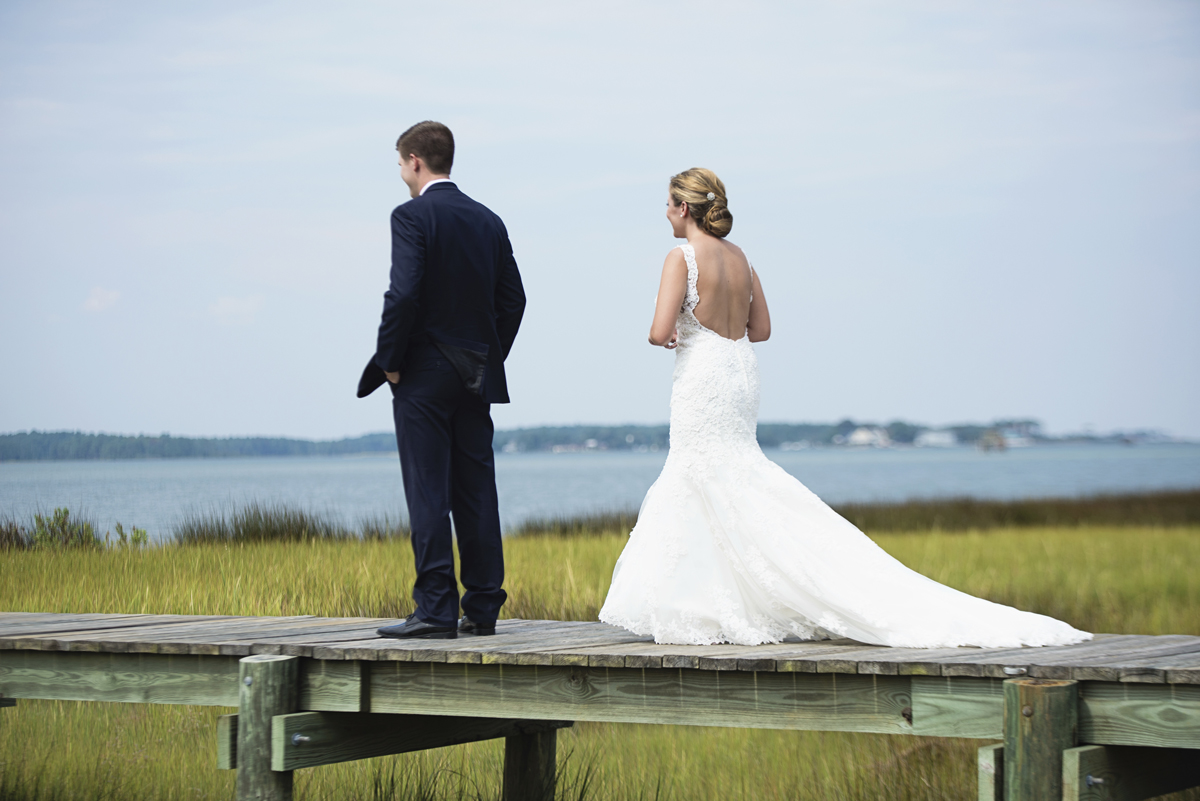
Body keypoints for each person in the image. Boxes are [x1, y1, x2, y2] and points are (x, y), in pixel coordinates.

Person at [598, 168, 1091, 648]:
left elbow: (658, 332)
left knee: (700, 472)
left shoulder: (681, 257)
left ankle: (711, 606)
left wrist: (672, 332)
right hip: (739, 371)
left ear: (684, 208)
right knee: (735, 470)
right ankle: (735, 601)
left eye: (667, 204)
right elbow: (761, 329)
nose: (665, 214)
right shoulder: (742, 259)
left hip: (703, 374)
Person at [358, 121, 526, 640]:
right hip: (475, 374)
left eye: (400, 164)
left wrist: (389, 359)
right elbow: (513, 301)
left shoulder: (411, 216)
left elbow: (403, 294)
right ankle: (482, 607)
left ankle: (434, 609)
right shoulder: (488, 220)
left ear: (414, 160)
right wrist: (484, 354)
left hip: (423, 373)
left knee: (428, 488)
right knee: (476, 489)